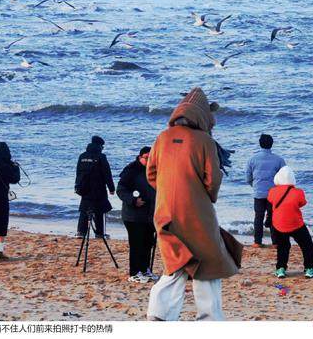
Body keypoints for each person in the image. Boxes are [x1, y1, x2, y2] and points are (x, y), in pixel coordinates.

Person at [146, 88, 240, 321]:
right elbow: (213, 179)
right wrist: (201, 195)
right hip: (196, 214)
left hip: (165, 211)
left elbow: (151, 173)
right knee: (207, 266)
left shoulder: (162, 137)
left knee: (176, 262)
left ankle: (159, 315)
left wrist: (168, 192)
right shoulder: (204, 140)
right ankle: (209, 319)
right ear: (202, 115)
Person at [267, 165, 313, 278]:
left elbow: (270, 204)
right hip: (295, 223)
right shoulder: (298, 192)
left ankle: (280, 269)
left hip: (278, 224)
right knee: (307, 245)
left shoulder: (272, 191)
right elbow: (302, 203)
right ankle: (309, 269)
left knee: (283, 247)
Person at [117, 146, 157, 283]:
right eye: (147, 157)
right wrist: (133, 200)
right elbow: (121, 190)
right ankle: (134, 272)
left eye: (151, 157)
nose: (149, 160)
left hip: (150, 215)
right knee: (136, 244)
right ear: (140, 157)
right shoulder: (131, 170)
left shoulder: (155, 170)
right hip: (133, 215)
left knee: (148, 243)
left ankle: (145, 270)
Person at [245, 133, 285, 247]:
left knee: (258, 217)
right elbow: (284, 177)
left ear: (260, 144)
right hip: (273, 194)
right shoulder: (279, 160)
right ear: (271, 144)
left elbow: (248, 178)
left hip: (258, 193)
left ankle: (257, 242)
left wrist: (256, 186)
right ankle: (275, 243)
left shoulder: (252, 159)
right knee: (273, 217)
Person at [74, 135, 115, 239]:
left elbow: (78, 172)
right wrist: (111, 188)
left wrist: (78, 186)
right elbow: (107, 174)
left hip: (84, 188)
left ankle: (80, 232)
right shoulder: (101, 157)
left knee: (84, 210)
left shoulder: (82, 156)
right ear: (100, 146)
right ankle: (99, 233)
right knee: (99, 211)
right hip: (98, 188)